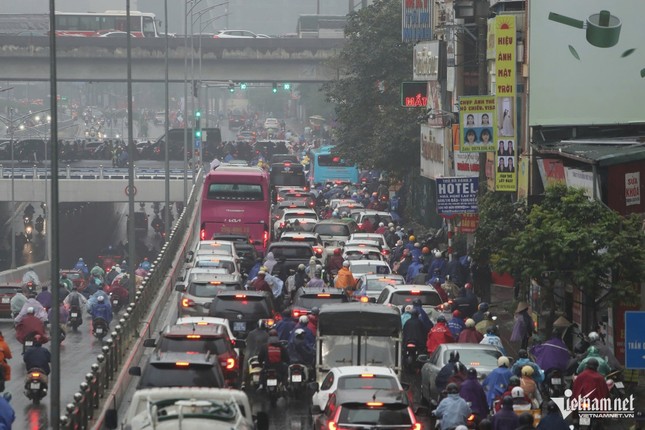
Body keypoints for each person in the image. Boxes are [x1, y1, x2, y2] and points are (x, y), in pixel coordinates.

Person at [243, 320, 270, 386]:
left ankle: (243, 381)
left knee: (245, 366)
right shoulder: (266, 335)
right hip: (261, 355)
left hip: (251, 354)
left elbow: (246, 342)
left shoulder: (251, 333)